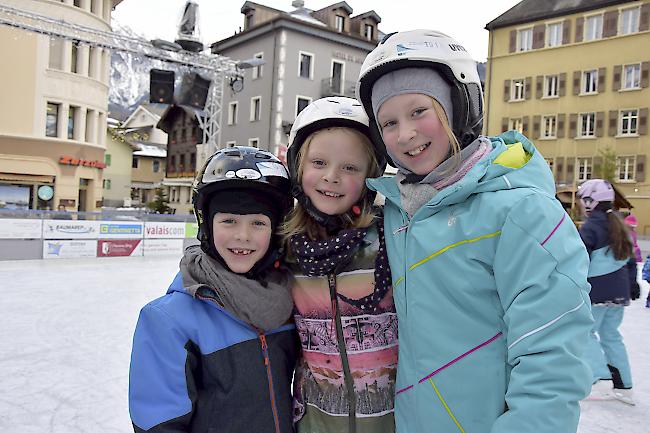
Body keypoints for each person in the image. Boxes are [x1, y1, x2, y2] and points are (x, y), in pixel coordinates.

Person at [356, 29, 593, 433]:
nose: (405, 135)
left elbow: (554, 354)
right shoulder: (399, 211)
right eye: (388, 122)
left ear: (461, 106)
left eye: (419, 112)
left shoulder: (520, 210)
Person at [128, 147, 298, 433]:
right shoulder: (168, 321)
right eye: (228, 220)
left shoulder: (290, 304)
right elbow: (158, 424)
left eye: (258, 222)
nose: (243, 235)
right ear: (206, 225)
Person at [284, 96, 398, 433]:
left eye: (350, 167)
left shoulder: (391, 240)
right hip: (316, 423)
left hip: (393, 421)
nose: (332, 177)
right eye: (319, 162)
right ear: (298, 167)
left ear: (369, 177)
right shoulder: (286, 251)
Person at [578, 179, 637, 406]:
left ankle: (600, 378)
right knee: (611, 335)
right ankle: (624, 385)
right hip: (619, 291)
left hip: (598, 290)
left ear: (590, 201)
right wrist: (633, 284)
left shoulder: (592, 226)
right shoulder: (618, 223)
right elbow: (630, 258)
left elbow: (579, 258)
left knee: (587, 333)